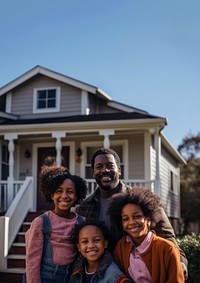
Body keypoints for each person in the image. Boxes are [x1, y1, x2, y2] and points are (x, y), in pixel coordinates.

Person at [76, 147, 188, 279]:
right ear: (94, 172)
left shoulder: (139, 200)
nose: (104, 170)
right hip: (101, 275)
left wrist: (180, 261)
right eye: (99, 166)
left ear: (119, 169)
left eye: (110, 166)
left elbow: (167, 234)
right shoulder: (84, 207)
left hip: (133, 273)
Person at [24, 165, 88, 283]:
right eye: (59, 191)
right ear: (52, 194)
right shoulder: (41, 222)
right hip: (43, 278)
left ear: (76, 196)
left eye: (70, 192)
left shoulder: (82, 222)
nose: (64, 196)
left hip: (70, 278)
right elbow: (32, 261)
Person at [108, 188, 184, 283]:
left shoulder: (167, 248)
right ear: (121, 224)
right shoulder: (120, 248)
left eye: (137, 216)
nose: (131, 222)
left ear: (148, 220)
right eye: (125, 219)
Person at [69, 218, 133, 283]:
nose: (91, 246)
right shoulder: (76, 269)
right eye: (85, 241)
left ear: (105, 243)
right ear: (79, 247)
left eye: (96, 240)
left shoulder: (113, 274)